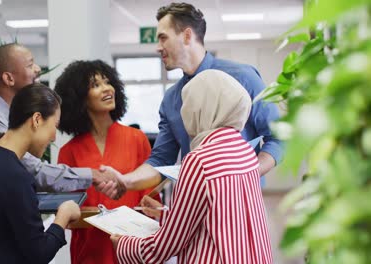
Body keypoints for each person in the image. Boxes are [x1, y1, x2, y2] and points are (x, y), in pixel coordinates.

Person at [103, 2, 282, 191]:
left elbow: (279, 137)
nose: (158, 47)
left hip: (241, 200)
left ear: (187, 36)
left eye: (163, 38)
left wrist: (247, 173)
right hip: (194, 205)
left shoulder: (243, 77)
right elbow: (161, 160)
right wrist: (126, 181)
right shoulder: (171, 99)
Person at [111, 70, 273, 264]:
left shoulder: (200, 160)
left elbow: (165, 247)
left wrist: (124, 245)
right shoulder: (245, 151)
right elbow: (223, 217)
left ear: (200, 108)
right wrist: (167, 214)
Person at [0, 43, 124, 198]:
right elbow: (31, 170)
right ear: (9, 78)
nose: (38, 69)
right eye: (30, 64)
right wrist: (92, 175)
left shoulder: (14, 115)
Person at [0, 83, 81, 264]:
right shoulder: (15, 175)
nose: (53, 137)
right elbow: (39, 253)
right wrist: (63, 216)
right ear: (36, 119)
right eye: (54, 126)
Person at [54, 60, 159, 264]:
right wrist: (99, 217)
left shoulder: (136, 138)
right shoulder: (69, 152)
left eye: (108, 82)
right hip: (90, 253)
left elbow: (151, 197)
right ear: (80, 98)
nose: (107, 88)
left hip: (133, 250)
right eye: (95, 85)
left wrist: (152, 208)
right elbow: (67, 212)